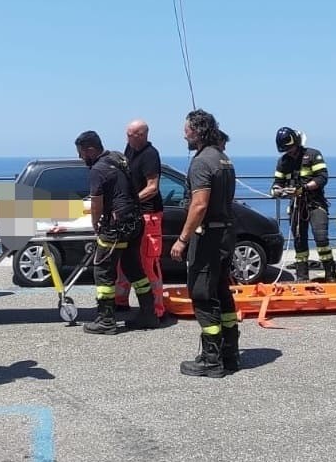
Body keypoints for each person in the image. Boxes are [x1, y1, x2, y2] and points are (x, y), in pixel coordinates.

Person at [170, 109, 240, 377]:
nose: (183, 134)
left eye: (186, 129)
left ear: (197, 131)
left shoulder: (201, 162)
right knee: (222, 292)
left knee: (202, 294)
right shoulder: (224, 159)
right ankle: (230, 354)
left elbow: (199, 205)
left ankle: (211, 360)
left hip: (208, 237)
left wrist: (182, 239)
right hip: (225, 235)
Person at [75, 130, 156, 335]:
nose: (81, 157)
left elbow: (96, 202)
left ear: (91, 150)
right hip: (135, 220)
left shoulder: (98, 169)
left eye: (82, 153)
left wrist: (96, 224)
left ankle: (106, 319)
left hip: (117, 226)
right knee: (133, 267)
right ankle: (149, 313)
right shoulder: (118, 158)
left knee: (103, 270)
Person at [271, 127, 336, 283]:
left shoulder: (313, 155)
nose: (290, 152)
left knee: (321, 239)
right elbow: (277, 182)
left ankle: (331, 275)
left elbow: (322, 178)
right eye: (287, 150)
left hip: (315, 204)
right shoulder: (283, 162)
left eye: (291, 149)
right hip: (296, 206)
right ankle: (302, 277)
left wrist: (305, 188)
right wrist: (276, 190)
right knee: (299, 241)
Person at [115, 118, 165, 320]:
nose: (127, 138)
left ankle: (156, 308)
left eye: (130, 135)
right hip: (131, 213)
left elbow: (153, 187)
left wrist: (132, 201)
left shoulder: (150, 155)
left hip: (148, 213)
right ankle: (120, 301)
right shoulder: (129, 149)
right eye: (127, 134)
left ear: (142, 135)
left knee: (147, 262)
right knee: (123, 260)